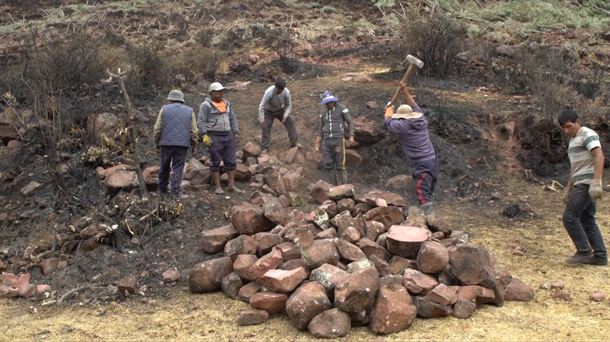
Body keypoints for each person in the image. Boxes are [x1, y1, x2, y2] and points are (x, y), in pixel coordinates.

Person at [558, 108, 606, 265]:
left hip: (586, 184)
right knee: (587, 219)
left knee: (569, 217)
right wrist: (568, 188)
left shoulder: (587, 134)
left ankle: (584, 251)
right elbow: (575, 168)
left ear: (578, 122)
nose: (567, 130)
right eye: (564, 128)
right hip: (579, 183)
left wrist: (596, 182)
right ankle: (600, 256)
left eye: (569, 126)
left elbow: (599, 156)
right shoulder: (573, 141)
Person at [384, 83, 439, 217]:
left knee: (422, 192)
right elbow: (414, 105)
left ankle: (430, 219)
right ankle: (427, 214)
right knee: (427, 189)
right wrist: (405, 91)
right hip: (432, 160)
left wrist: (388, 110)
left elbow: (388, 123)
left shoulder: (404, 126)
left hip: (422, 163)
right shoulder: (421, 119)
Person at [197, 82, 242, 194]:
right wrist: (204, 135)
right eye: (218, 91)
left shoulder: (227, 104)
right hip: (214, 135)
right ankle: (218, 187)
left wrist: (236, 132)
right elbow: (201, 121)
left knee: (231, 161)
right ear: (211, 93)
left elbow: (232, 119)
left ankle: (231, 185)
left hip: (228, 135)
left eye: (221, 91)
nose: (220, 93)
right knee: (215, 161)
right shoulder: (205, 105)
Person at [153, 89, 198, 198]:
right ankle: (175, 193)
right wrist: (194, 145)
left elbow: (157, 128)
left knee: (164, 165)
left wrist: (156, 143)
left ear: (170, 99)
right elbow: (194, 131)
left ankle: (162, 190)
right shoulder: (189, 111)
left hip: (166, 143)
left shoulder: (164, 109)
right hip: (182, 145)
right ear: (181, 100)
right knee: (178, 167)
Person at [315, 91, 355, 185]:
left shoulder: (342, 109)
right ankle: (333, 188)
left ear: (334, 101)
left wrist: (351, 135)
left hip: (338, 140)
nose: (328, 105)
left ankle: (344, 188)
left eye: (330, 102)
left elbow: (350, 122)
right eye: (326, 103)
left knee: (340, 165)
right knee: (328, 164)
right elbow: (320, 128)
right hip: (326, 141)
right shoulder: (323, 112)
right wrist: (318, 143)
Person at [258, 77, 300, 154]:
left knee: (290, 122)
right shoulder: (269, 92)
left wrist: (285, 115)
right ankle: (265, 147)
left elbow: (289, 105)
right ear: (275, 87)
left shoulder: (286, 92)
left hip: (280, 110)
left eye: (282, 89)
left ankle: (294, 142)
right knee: (265, 127)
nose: (280, 91)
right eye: (279, 89)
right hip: (268, 111)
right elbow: (261, 106)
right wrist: (261, 119)